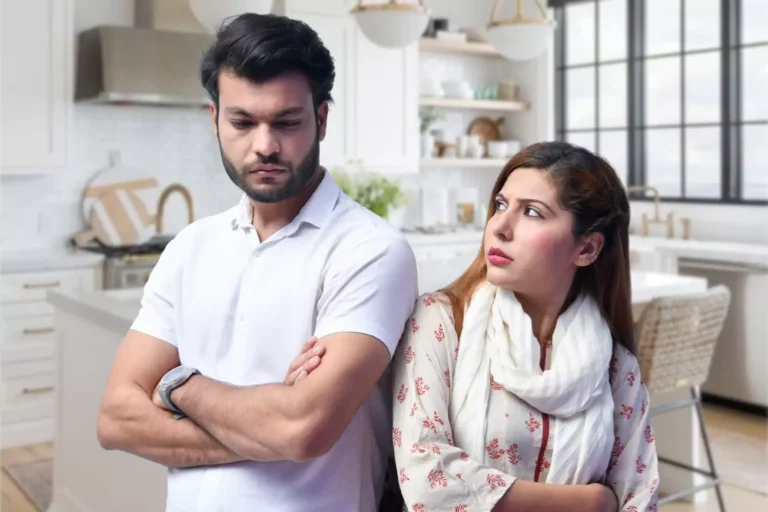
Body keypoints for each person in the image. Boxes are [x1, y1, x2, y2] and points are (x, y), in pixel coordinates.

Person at [95, 12, 418, 512]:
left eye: (286, 122)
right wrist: (267, 431)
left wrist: (178, 384)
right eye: (243, 122)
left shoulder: (370, 250)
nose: (264, 145)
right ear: (215, 120)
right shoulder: (190, 247)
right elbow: (116, 418)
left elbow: (302, 428)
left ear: (322, 119)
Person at [295, 141, 660, 512]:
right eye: (501, 205)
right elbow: (425, 476)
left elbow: (639, 495)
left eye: (532, 212)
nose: (499, 227)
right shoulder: (441, 323)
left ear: (587, 249)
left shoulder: (615, 366)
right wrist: (589, 502)